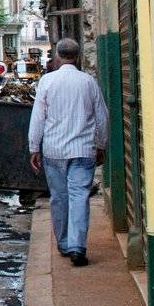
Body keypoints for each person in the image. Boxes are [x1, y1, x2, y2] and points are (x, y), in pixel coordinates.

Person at [28, 37, 109, 267]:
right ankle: (77, 246)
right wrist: (101, 145)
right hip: (83, 150)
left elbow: (38, 118)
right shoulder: (88, 82)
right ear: (78, 56)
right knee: (79, 196)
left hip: (53, 150)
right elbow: (102, 116)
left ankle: (64, 244)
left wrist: (34, 147)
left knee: (59, 197)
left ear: (57, 56)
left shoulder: (47, 82)